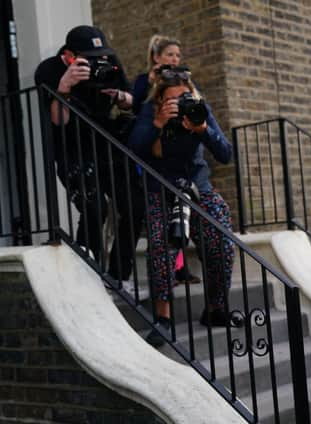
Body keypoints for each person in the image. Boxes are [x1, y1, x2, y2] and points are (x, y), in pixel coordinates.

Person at [129, 66, 239, 347]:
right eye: (173, 99)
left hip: (198, 188)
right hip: (161, 190)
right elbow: (133, 149)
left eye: (185, 97)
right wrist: (157, 123)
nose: (180, 104)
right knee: (160, 248)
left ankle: (215, 310)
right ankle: (163, 318)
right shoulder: (149, 112)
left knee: (222, 243)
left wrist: (202, 129)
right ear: (160, 99)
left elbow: (225, 153)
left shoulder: (200, 110)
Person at [35, 25, 147, 298]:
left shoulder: (108, 63)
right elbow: (58, 121)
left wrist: (121, 97)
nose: (97, 61)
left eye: (101, 54)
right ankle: (87, 273)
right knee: (94, 207)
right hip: (72, 148)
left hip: (106, 144)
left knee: (134, 204)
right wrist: (64, 86)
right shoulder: (49, 70)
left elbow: (131, 102)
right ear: (69, 56)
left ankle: (117, 276)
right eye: (88, 57)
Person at [130, 34, 199, 286]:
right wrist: (150, 81)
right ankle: (164, 274)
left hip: (176, 152)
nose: (174, 59)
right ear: (157, 57)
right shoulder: (144, 80)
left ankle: (179, 268)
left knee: (179, 213)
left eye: (178, 56)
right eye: (170, 54)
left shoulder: (181, 81)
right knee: (159, 214)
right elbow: (135, 106)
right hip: (151, 151)